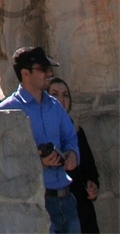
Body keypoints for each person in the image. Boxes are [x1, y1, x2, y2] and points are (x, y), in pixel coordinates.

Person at [0, 47, 82, 234]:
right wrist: (37, 161)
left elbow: (70, 137)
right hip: (34, 201)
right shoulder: (6, 111)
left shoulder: (55, 106)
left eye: (49, 68)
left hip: (66, 198)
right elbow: (1, 159)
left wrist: (72, 154)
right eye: (43, 68)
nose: (49, 73)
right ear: (25, 73)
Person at [49, 78, 101, 234]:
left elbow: (89, 168)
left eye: (65, 95)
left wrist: (93, 184)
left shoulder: (77, 130)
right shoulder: (42, 132)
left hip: (80, 206)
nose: (61, 99)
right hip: (55, 205)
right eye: (55, 94)